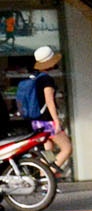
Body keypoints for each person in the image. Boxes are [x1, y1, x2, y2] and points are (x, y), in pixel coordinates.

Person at [19, 45, 71, 176]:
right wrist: (56, 121)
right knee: (67, 148)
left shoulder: (35, 78)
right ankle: (50, 174)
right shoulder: (47, 79)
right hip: (48, 122)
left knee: (48, 150)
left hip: (37, 122)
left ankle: (44, 181)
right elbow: (49, 101)